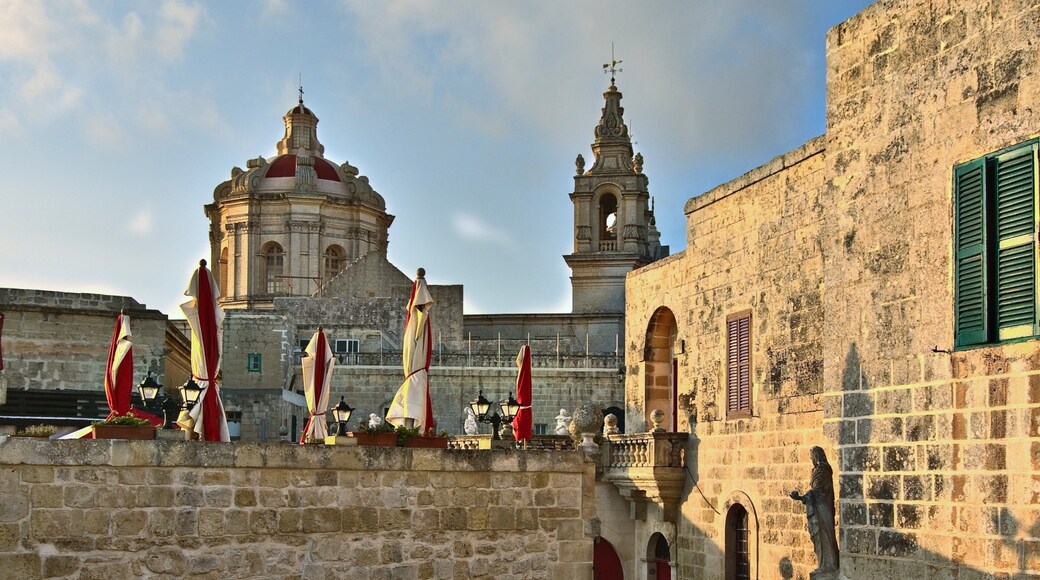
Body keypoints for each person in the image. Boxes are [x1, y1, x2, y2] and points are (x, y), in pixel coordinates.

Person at [790, 446, 839, 578]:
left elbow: (819, 493)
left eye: (812, 456)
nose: (811, 459)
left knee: (825, 536)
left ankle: (828, 565)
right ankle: (823, 564)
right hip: (819, 508)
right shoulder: (818, 470)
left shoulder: (823, 471)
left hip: (823, 510)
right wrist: (802, 497)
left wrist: (801, 497)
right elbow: (815, 493)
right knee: (819, 538)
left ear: (816, 456)